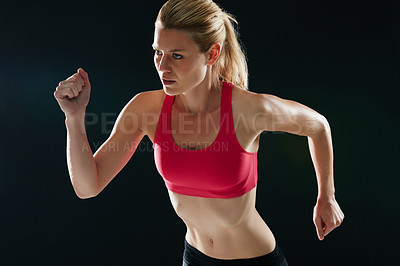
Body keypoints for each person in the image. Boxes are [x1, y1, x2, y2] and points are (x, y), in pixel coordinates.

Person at [53, 0, 344, 265]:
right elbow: (88, 187)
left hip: (256, 260)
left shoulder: (249, 110)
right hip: (194, 258)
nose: (162, 67)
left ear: (212, 53)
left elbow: (318, 126)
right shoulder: (146, 110)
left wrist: (326, 197)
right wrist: (75, 118)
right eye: (158, 52)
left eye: (177, 56)